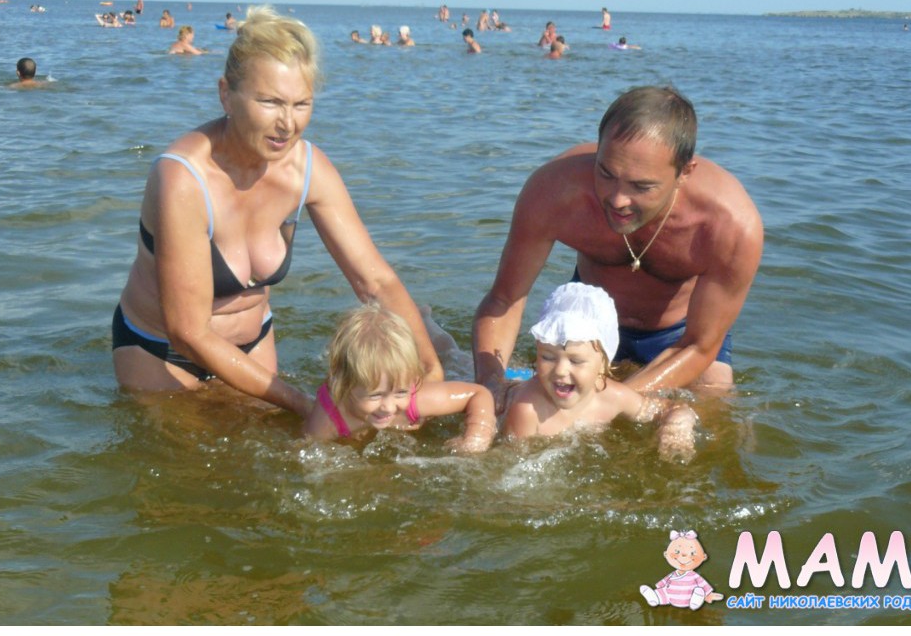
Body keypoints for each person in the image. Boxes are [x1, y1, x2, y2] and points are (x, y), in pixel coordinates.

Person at [113, 5, 443, 415]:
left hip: (253, 343)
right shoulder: (183, 178)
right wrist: (303, 402)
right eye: (270, 102)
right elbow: (189, 332)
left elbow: (375, 281)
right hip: (162, 351)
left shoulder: (307, 168)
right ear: (226, 94)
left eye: (301, 104)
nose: (288, 124)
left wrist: (430, 370)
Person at [473, 86, 763, 403]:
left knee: (713, 396)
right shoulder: (553, 191)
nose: (617, 199)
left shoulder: (729, 226)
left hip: (679, 337)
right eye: (606, 173)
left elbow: (700, 345)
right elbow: (504, 299)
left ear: (684, 172)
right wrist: (490, 386)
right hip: (586, 321)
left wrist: (606, 403)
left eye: (642, 186)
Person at [501, 284, 698, 456]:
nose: (560, 370)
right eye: (548, 357)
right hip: (517, 389)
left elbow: (671, 408)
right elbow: (509, 465)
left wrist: (676, 427)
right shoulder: (527, 410)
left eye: (576, 361)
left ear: (603, 364)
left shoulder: (613, 397)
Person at [304, 304, 495, 451]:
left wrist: (476, 437)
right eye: (375, 395)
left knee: (450, 354)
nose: (389, 407)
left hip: (428, 371)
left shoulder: (417, 398)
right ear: (343, 385)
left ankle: (424, 319)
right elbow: (308, 450)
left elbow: (479, 394)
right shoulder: (329, 418)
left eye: (400, 392)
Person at [640, 530, 723, 610]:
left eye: (692, 553)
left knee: (699, 590)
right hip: (670, 597)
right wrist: (659, 587)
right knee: (663, 592)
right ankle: (654, 598)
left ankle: (696, 601)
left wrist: (708, 595)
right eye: (677, 552)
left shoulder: (693, 576)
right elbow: (663, 583)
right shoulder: (672, 574)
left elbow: (703, 584)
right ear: (666, 554)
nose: (683, 555)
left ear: (703, 557)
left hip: (688, 597)